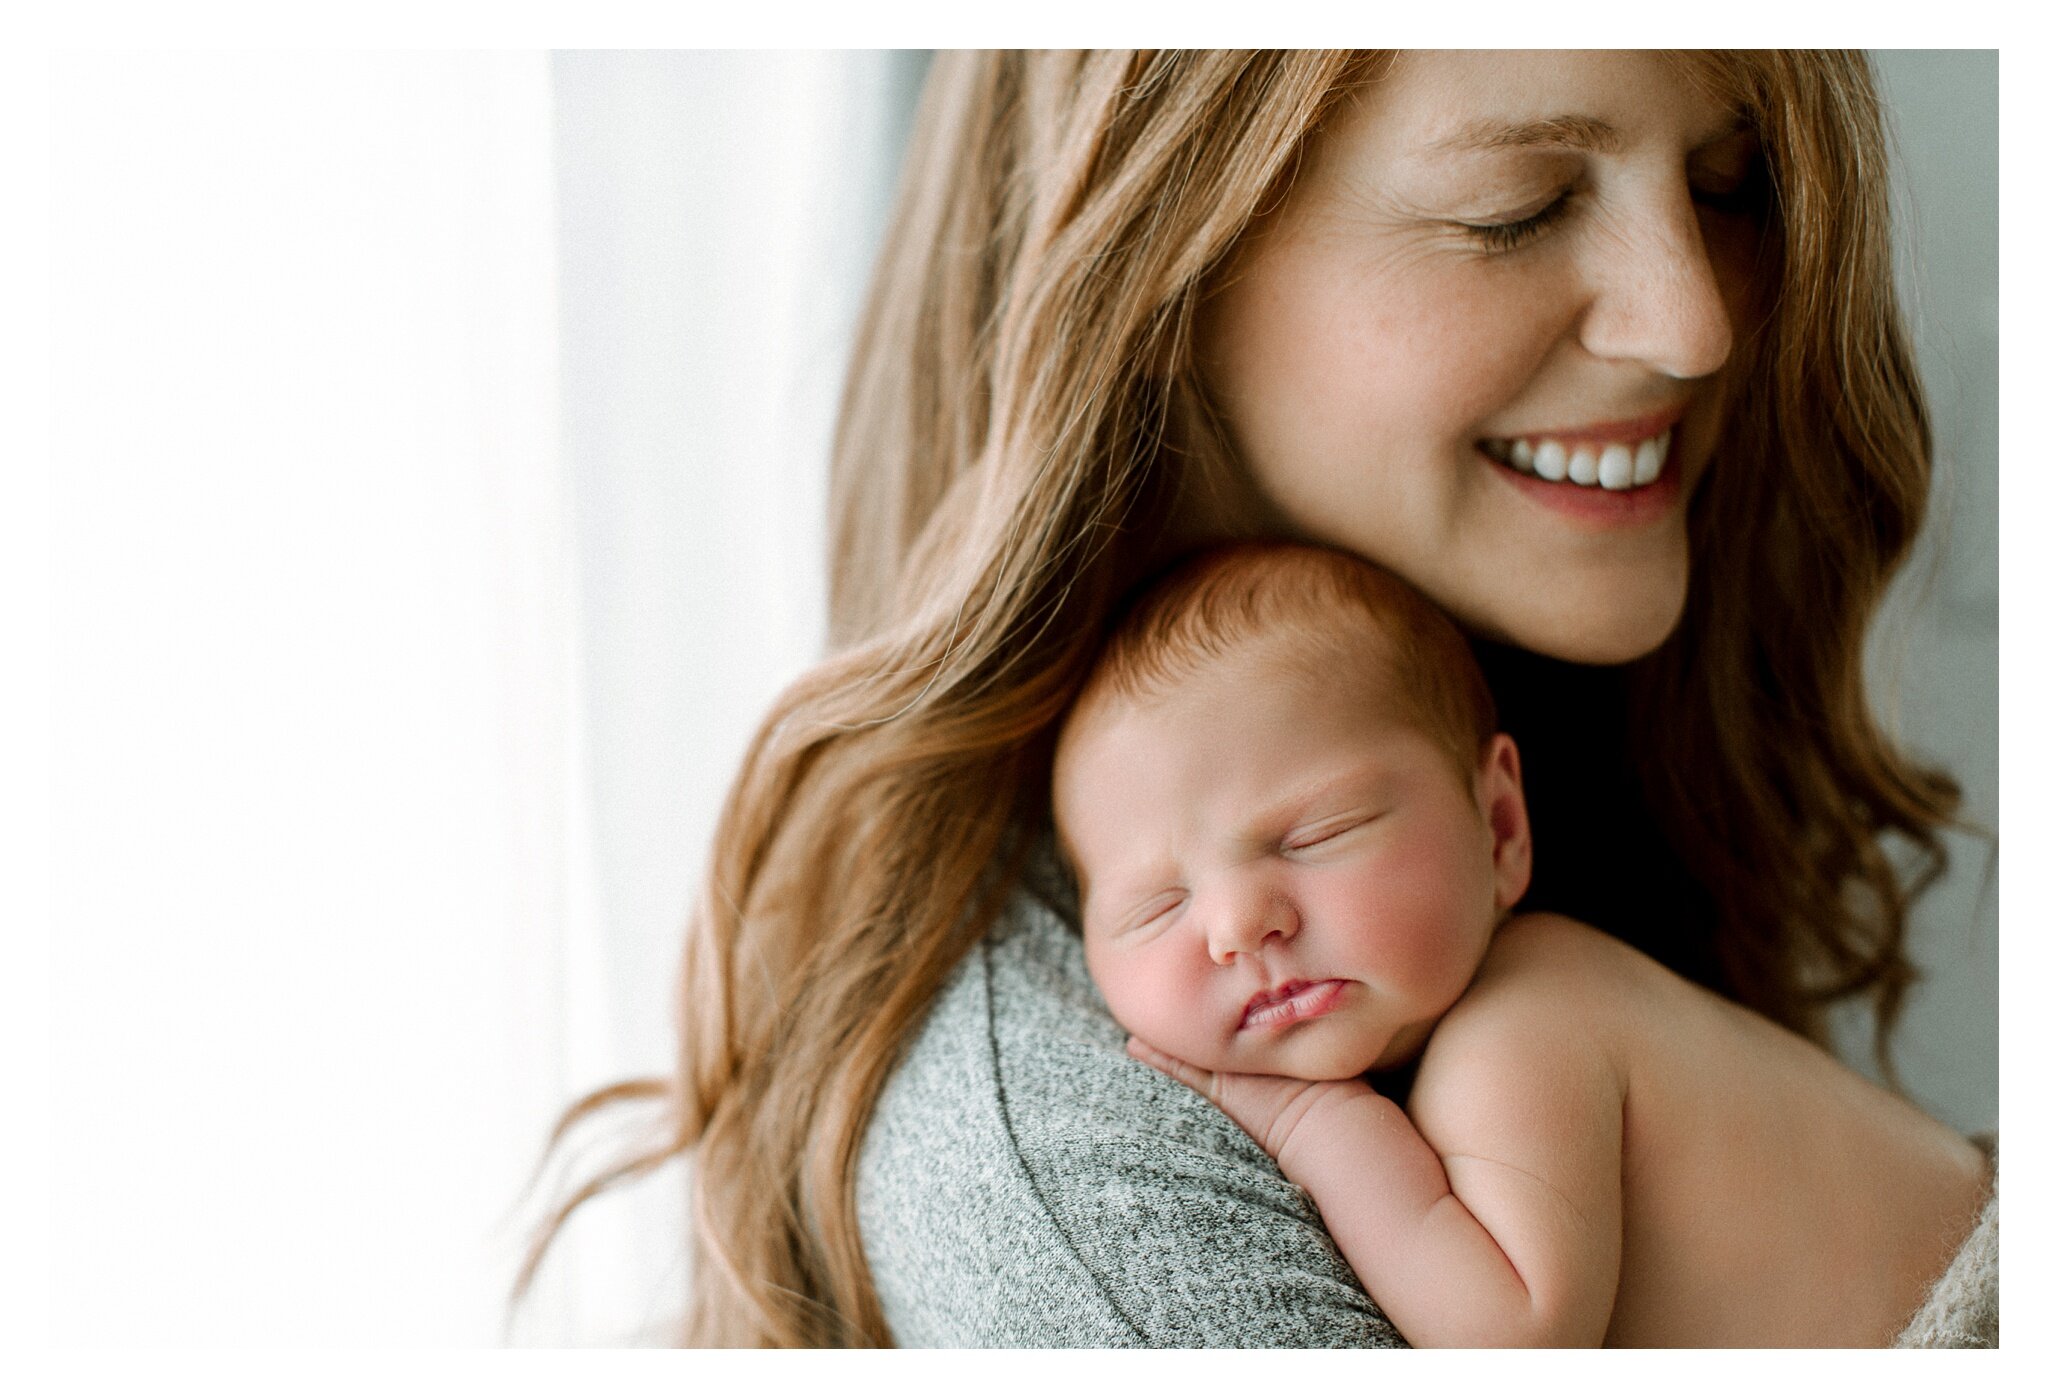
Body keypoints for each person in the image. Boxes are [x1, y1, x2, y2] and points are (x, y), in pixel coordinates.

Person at [520, 50, 1997, 1347]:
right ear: (1164, 255)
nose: (1696, 323)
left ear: (1499, 812)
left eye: (1733, 181)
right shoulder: (1083, 1169)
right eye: (1518, 206)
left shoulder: (1504, 858)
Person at [1052, 540, 1987, 1347]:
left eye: (1315, 835)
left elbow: (1513, 1340)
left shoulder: (1526, 1022)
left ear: (1498, 827)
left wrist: (1315, 1127)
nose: (1237, 926)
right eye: (1156, 907)